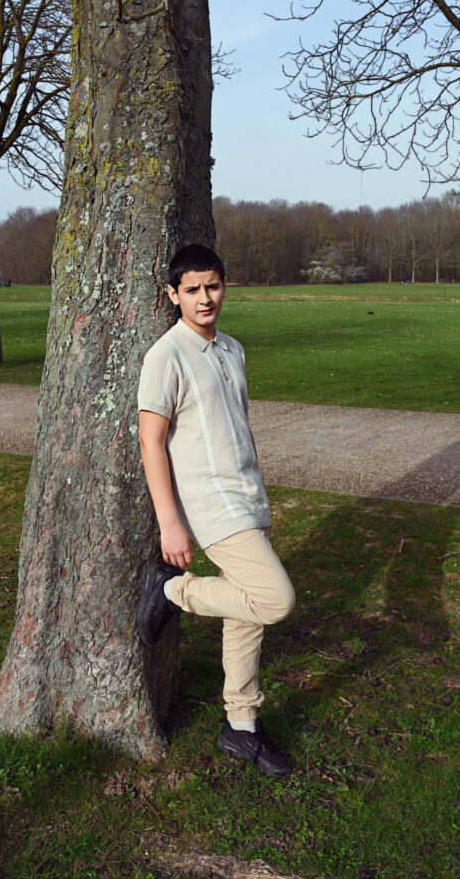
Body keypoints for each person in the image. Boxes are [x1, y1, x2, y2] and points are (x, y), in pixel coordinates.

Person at [136, 243, 295, 778]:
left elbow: (240, 429)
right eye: (192, 290)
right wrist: (170, 522)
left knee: (246, 613)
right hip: (212, 505)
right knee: (274, 600)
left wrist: (260, 496)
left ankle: (241, 726)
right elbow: (151, 442)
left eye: (213, 286)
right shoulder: (166, 355)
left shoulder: (232, 349)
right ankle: (171, 592)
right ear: (173, 295)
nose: (205, 298)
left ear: (224, 286)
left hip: (247, 499)